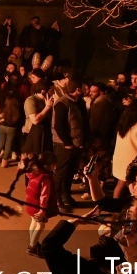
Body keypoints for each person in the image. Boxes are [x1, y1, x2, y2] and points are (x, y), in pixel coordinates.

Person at [50, 80, 87, 211]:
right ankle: (55, 199)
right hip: (64, 145)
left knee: (70, 171)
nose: (86, 88)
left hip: (76, 143)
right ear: (77, 89)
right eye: (84, 86)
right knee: (61, 172)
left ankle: (66, 195)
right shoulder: (62, 103)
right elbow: (58, 126)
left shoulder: (78, 102)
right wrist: (67, 143)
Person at [25, 153, 58, 255]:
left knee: (33, 223)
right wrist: (42, 210)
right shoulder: (45, 178)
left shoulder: (33, 173)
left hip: (30, 203)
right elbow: (44, 196)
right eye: (53, 164)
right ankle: (32, 246)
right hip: (38, 207)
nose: (55, 167)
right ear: (47, 166)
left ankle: (33, 243)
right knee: (41, 225)